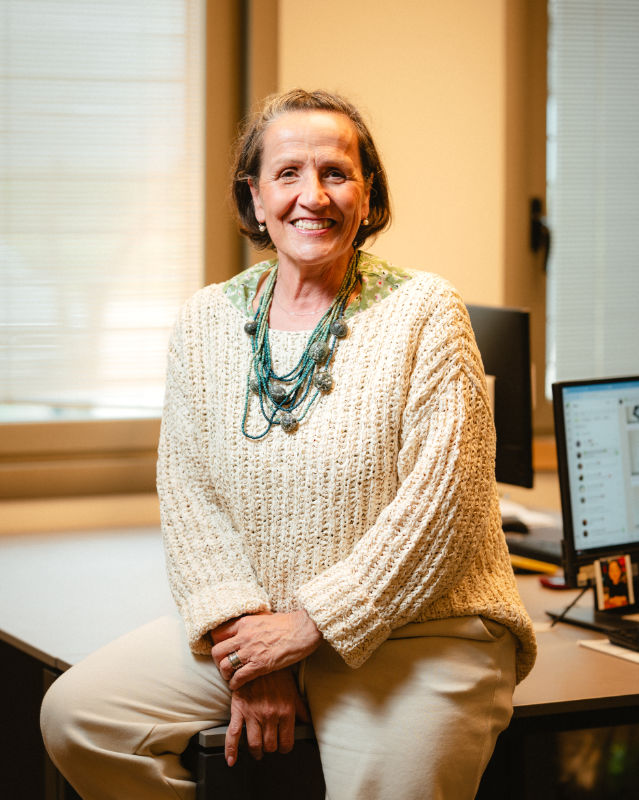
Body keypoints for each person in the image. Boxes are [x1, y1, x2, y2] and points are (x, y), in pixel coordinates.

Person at [41, 88, 536, 800]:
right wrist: (250, 645)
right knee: (80, 718)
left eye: (336, 173)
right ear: (254, 197)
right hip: (259, 626)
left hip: (419, 631)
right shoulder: (207, 320)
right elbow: (189, 495)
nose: (314, 196)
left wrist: (312, 625)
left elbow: (444, 508)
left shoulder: (426, 311)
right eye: (288, 174)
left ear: (367, 196)